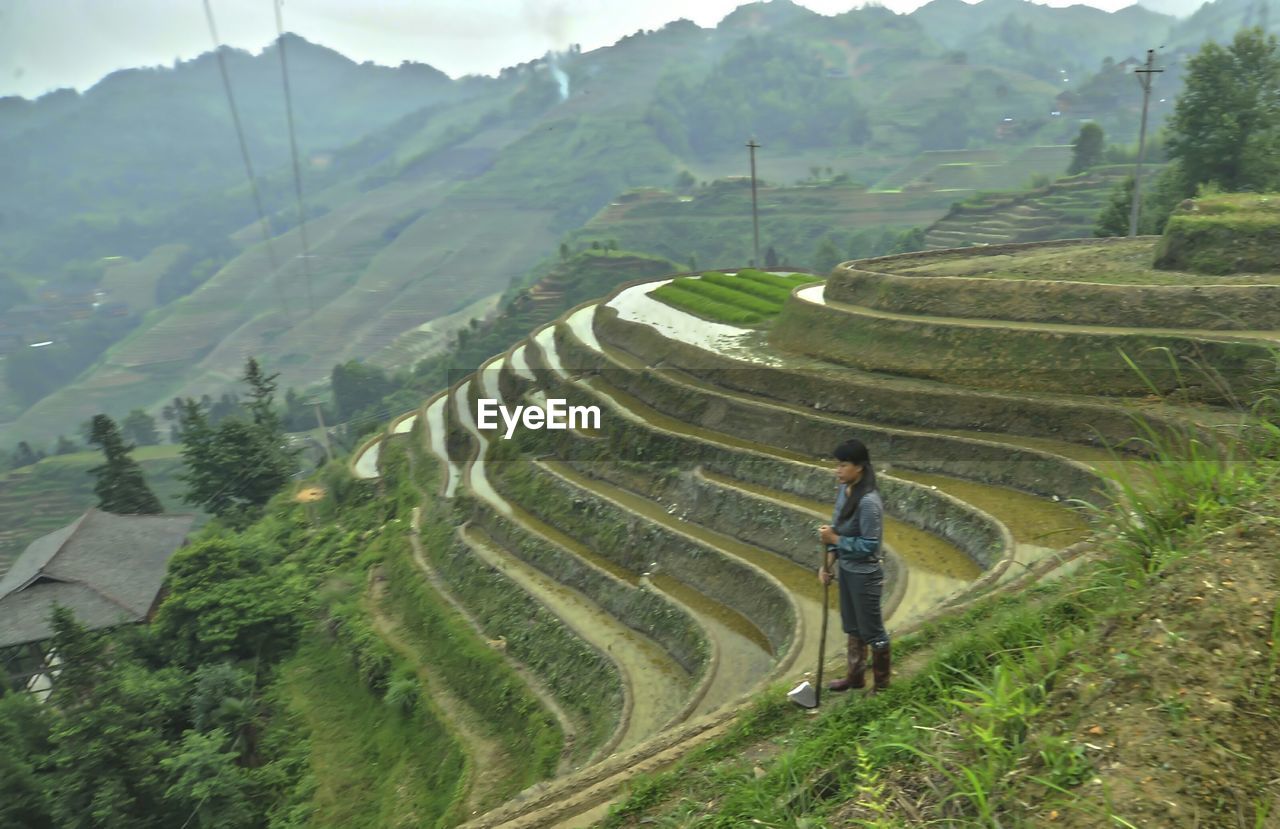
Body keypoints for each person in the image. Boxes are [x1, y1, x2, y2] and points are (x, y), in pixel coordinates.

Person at [818, 438, 890, 693]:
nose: (838, 470)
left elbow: (870, 544)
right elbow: (836, 528)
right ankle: (855, 677)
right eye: (837, 465)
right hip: (847, 571)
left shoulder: (869, 502)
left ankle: (882, 685)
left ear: (859, 467)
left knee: (873, 631)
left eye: (843, 465)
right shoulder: (844, 491)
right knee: (853, 626)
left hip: (865, 574)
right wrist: (827, 566)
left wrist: (835, 539)